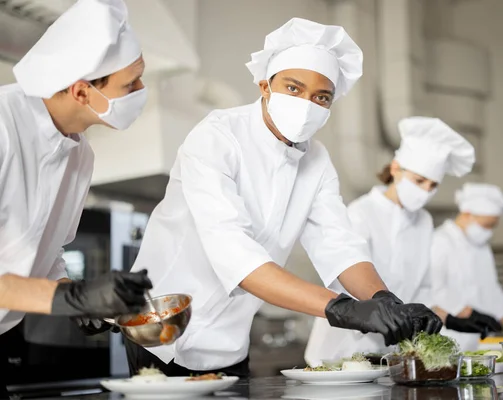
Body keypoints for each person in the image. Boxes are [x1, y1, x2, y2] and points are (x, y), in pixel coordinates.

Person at [81, 18, 443, 378]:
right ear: (265, 85)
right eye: (293, 88)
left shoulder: (317, 161)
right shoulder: (218, 137)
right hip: (162, 331)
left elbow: (340, 245)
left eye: (321, 97)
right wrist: (341, 308)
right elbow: (236, 254)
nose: (306, 104)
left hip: (229, 341)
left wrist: (384, 300)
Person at [0, 0, 153, 392]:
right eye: (130, 83)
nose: (141, 91)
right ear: (82, 91)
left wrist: (74, 293)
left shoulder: (80, 155)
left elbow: (47, 250)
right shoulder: (3, 125)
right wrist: (69, 297)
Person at [306, 117, 502, 365]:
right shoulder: (360, 213)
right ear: (396, 169)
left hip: (391, 353)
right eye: (419, 181)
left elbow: (422, 290)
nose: (425, 191)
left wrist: (451, 318)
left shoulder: (423, 222)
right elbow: (345, 284)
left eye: (433, 185)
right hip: (342, 350)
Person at [430, 182, 503, 351]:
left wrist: (502, 315)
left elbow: (491, 284)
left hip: (484, 340)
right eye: (486, 225)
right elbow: (434, 288)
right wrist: (468, 313)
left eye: (492, 226)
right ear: (468, 214)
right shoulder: (440, 240)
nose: (488, 231)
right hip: (452, 336)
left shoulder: (482, 246)